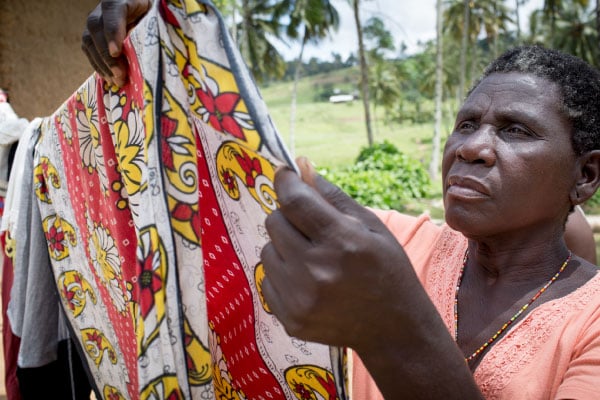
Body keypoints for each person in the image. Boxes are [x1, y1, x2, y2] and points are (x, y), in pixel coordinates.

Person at [83, 3, 600, 398]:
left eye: (515, 130)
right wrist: (158, 51)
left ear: (585, 174)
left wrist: (390, 330)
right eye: (467, 124)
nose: (471, 147)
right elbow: (234, 184)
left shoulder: (590, 326)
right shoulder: (393, 242)